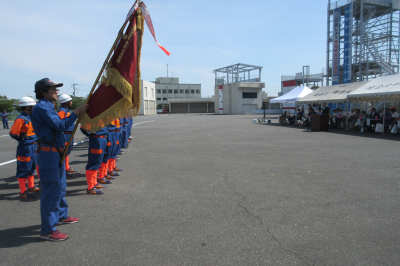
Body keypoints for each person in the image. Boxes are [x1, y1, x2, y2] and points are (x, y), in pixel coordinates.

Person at [31, 78, 88, 241]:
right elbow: (60, 125)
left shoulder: (49, 106)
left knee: (61, 186)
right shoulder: (42, 108)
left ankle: (61, 215)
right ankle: (48, 230)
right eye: (53, 88)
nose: (57, 91)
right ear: (43, 92)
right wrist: (76, 112)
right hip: (48, 154)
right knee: (51, 190)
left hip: (56, 153)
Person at [9, 97, 40, 199]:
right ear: (27, 107)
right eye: (32, 106)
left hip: (34, 146)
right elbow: (13, 133)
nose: (34, 108)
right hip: (25, 148)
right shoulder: (21, 118)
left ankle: (31, 186)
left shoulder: (31, 117)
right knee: (23, 169)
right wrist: (22, 139)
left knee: (32, 167)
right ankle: (23, 191)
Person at [80, 125, 109, 194]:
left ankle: (94, 183)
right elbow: (83, 128)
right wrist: (91, 134)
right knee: (94, 162)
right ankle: (90, 188)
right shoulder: (92, 118)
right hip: (96, 140)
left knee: (98, 162)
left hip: (102, 139)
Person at [57, 94, 77, 175]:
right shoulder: (62, 111)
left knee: (67, 152)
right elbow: (60, 123)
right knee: (64, 152)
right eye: (70, 101)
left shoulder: (66, 110)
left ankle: (66, 167)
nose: (71, 102)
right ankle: (62, 169)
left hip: (69, 134)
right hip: (65, 134)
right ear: (66, 102)